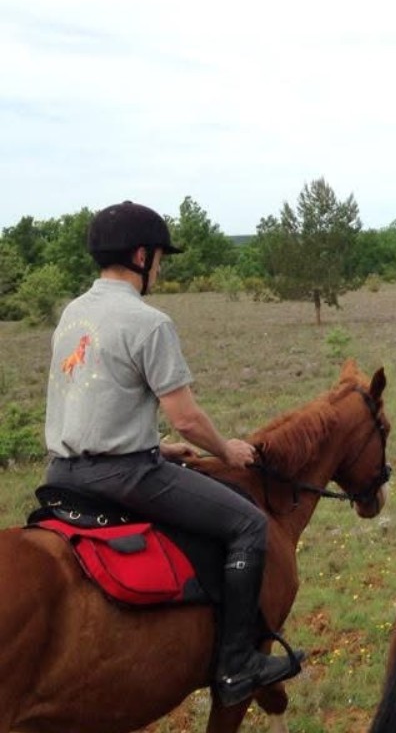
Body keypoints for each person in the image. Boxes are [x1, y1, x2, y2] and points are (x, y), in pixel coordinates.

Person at [43, 201, 301, 707]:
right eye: (160, 257)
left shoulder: (73, 314)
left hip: (62, 473)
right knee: (249, 525)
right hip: (124, 476)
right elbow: (185, 415)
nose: (160, 267)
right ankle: (237, 663)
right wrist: (226, 449)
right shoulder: (149, 322)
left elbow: (87, 400)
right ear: (141, 255)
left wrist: (155, 443)